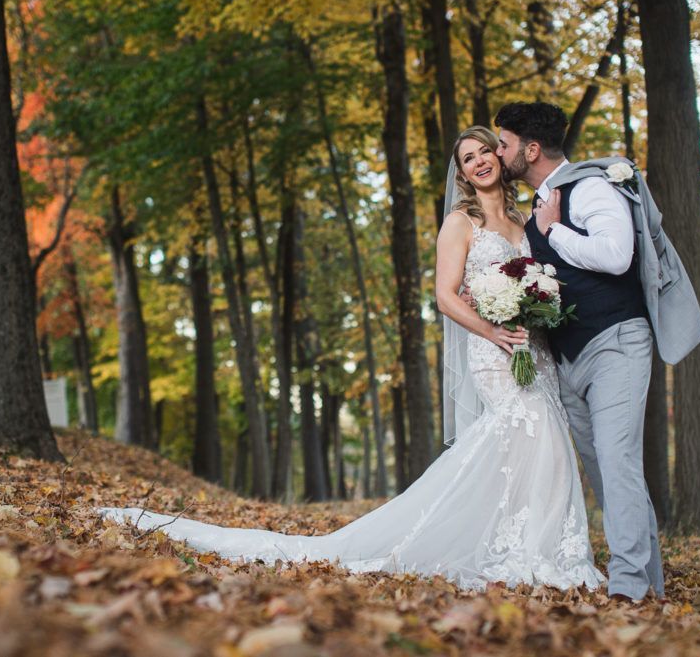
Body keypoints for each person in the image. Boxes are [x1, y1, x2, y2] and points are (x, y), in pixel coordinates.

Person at [96, 126, 604, 592]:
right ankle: (522, 551)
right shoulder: (459, 222)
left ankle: (535, 549)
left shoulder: (523, 220)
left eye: (482, 153)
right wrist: (494, 329)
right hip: (492, 349)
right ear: (463, 173)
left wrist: (538, 306)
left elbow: (544, 280)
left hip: (532, 348)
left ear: (500, 153)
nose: (477, 164)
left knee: (540, 444)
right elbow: (446, 296)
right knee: (530, 431)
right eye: (466, 159)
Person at [491, 101, 669, 603]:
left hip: (616, 342)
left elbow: (617, 257)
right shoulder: (533, 213)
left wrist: (553, 231)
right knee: (607, 475)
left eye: (503, 144)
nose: (498, 152)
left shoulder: (590, 187)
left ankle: (629, 590)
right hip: (567, 360)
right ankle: (650, 584)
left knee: (617, 463)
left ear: (530, 149)